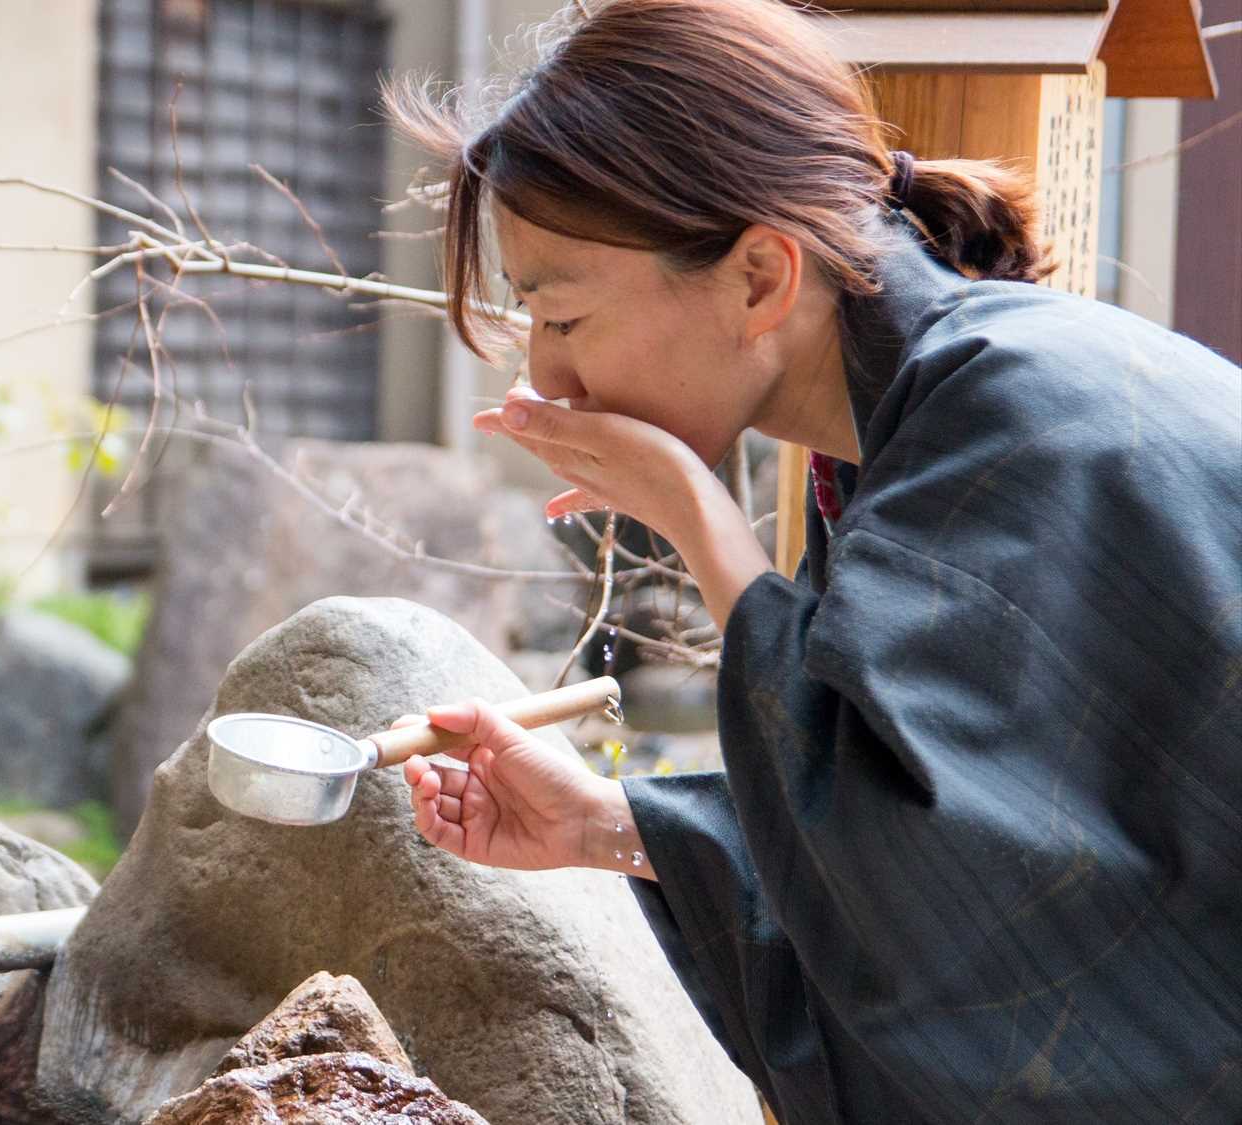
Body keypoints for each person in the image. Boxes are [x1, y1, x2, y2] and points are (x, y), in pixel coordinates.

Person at [380, 0, 1242, 1121]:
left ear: (757, 280)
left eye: (562, 316)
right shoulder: (932, 419)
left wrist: (700, 519)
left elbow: (936, 903)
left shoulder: (1020, 424)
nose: (544, 380)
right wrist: (604, 822)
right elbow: (947, 851)